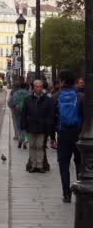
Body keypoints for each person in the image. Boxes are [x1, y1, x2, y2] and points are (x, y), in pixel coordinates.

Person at [52, 72, 84, 203]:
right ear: (75, 81)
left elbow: (52, 118)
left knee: (64, 164)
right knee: (79, 163)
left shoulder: (56, 96)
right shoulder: (81, 96)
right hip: (79, 134)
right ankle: (80, 190)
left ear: (61, 81)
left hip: (63, 134)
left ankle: (66, 194)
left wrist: (51, 137)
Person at [21, 80, 57, 173]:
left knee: (40, 146)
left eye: (40, 86)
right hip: (31, 126)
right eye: (37, 86)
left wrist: (48, 127)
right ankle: (33, 164)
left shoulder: (47, 100)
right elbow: (24, 114)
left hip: (42, 127)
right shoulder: (28, 99)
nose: (38, 88)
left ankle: (40, 165)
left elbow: (50, 115)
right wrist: (23, 127)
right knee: (32, 146)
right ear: (33, 87)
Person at [11, 82, 30, 149]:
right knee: (26, 128)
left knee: (19, 126)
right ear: (26, 87)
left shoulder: (16, 93)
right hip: (27, 113)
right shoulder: (28, 93)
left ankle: (20, 138)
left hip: (18, 112)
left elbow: (12, 103)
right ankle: (25, 141)